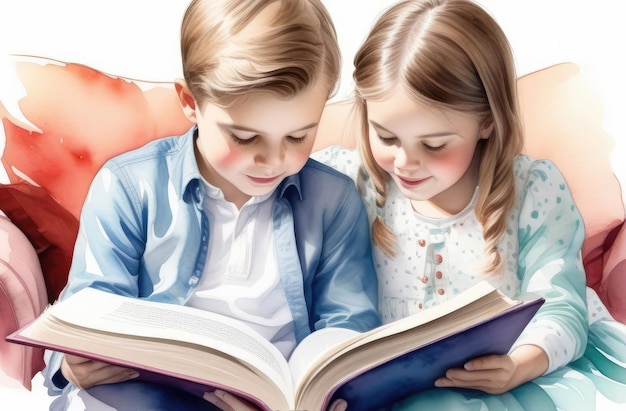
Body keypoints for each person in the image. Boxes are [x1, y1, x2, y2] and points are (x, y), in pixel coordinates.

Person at [41, 0, 381, 409]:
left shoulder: (334, 200)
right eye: (245, 137)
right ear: (190, 102)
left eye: (297, 137)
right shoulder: (128, 185)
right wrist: (72, 361)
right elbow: (88, 308)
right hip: (147, 397)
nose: (273, 161)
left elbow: (350, 321)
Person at [312, 0, 626, 409]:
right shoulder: (349, 180)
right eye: (386, 137)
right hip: (381, 388)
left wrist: (519, 365)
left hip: (508, 383)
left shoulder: (531, 191)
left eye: (435, 144)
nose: (405, 162)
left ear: (487, 121)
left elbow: (560, 305)